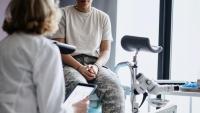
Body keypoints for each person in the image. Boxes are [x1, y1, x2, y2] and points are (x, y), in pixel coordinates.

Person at [0, 0, 88, 113]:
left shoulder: (4, 45)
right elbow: (52, 110)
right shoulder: (46, 50)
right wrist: (74, 109)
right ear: (49, 12)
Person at [52, 0, 125, 113]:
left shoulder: (103, 17)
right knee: (79, 87)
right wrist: (79, 67)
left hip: (94, 64)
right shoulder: (63, 14)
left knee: (115, 87)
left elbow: (105, 50)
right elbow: (60, 50)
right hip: (70, 64)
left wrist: (96, 66)